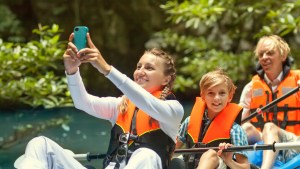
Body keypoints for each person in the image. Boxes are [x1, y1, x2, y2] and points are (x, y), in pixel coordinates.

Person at [14, 32, 184, 169]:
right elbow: (83, 103)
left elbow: (149, 104)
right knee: (40, 144)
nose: (140, 71)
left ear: (166, 80)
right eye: (139, 66)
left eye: (149, 68)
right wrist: (72, 72)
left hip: (145, 164)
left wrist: (107, 69)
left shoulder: (173, 110)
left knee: (147, 155)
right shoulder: (120, 105)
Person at [239, 35, 300, 169]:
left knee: (269, 127)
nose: (264, 57)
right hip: (263, 141)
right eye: (261, 54)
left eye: (270, 53)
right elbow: (238, 120)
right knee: (245, 128)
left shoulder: (297, 81)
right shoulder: (251, 87)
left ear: (283, 56)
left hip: (293, 143)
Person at [175, 69, 250, 169]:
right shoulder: (189, 121)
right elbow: (173, 149)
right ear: (203, 96)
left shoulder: (235, 130)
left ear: (230, 97)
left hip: (219, 165)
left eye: (222, 93)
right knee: (174, 161)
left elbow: (246, 167)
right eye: (211, 93)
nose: (216, 98)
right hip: (190, 165)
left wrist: (229, 161)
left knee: (210, 154)